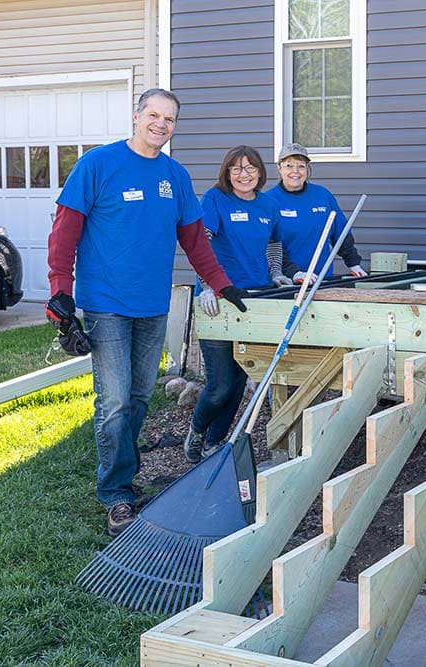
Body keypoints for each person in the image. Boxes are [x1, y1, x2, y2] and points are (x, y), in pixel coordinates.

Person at [47, 88, 248, 537]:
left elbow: (195, 240)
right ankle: (116, 492)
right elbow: (64, 233)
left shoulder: (174, 176)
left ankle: (126, 471)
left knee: (138, 397)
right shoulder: (97, 165)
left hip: (154, 306)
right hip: (106, 304)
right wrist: (60, 292)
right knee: (114, 400)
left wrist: (221, 283)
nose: (161, 124)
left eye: (170, 119)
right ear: (136, 116)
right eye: (154, 115)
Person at [183, 146, 284, 464]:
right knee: (220, 383)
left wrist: (278, 273)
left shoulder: (268, 204)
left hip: (255, 301)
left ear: (260, 172)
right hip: (220, 300)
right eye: (237, 168)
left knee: (240, 380)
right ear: (227, 172)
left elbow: (274, 243)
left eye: (251, 167)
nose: (244, 174)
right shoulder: (214, 199)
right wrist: (209, 286)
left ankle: (214, 442)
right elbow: (203, 243)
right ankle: (197, 430)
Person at [265, 143, 366, 285]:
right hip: (286, 283)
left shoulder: (322, 195)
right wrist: (294, 272)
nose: (296, 171)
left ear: (307, 168)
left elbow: (341, 233)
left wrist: (353, 263)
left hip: (321, 281)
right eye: (289, 165)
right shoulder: (268, 201)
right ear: (279, 167)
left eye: (301, 165)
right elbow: (269, 246)